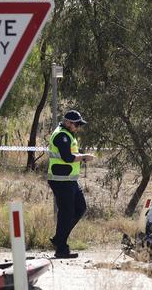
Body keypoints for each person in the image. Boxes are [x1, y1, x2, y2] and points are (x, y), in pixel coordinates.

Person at [48, 110, 94, 258]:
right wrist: (84, 157)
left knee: (80, 208)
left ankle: (58, 239)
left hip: (69, 180)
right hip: (61, 180)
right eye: (76, 124)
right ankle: (61, 248)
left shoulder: (68, 134)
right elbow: (67, 158)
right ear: (68, 122)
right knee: (66, 213)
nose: (78, 127)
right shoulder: (62, 136)